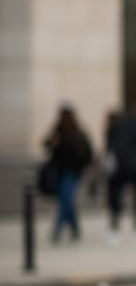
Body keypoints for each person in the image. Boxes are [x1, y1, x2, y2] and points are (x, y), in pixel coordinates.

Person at [42, 103, 94, 243]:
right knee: (67, 200)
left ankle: (57, 229)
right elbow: (45, 144)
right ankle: (75, 228)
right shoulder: (57, 131)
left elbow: (88, 153)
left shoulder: (78, 133)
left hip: (72, 172)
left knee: (65, 199)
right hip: (59, 171)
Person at [105, 99, 136, 246]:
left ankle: (115, 230)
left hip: (119, 167)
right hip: (133, 167)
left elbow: (110, 145)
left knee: (116, 199)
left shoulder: (116, 124)